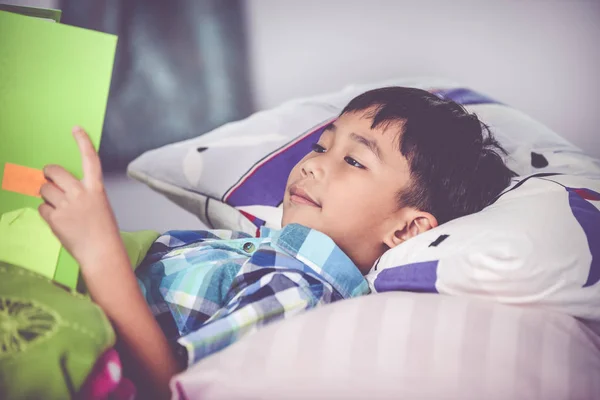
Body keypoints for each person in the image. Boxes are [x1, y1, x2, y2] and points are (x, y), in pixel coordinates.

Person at [39, 87, 514, 398]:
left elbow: (172, 383)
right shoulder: (260, 248)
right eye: (322, 146)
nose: (312, 165)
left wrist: (99, 251)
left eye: (353, 162)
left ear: (408, 230)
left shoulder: (297, 287)